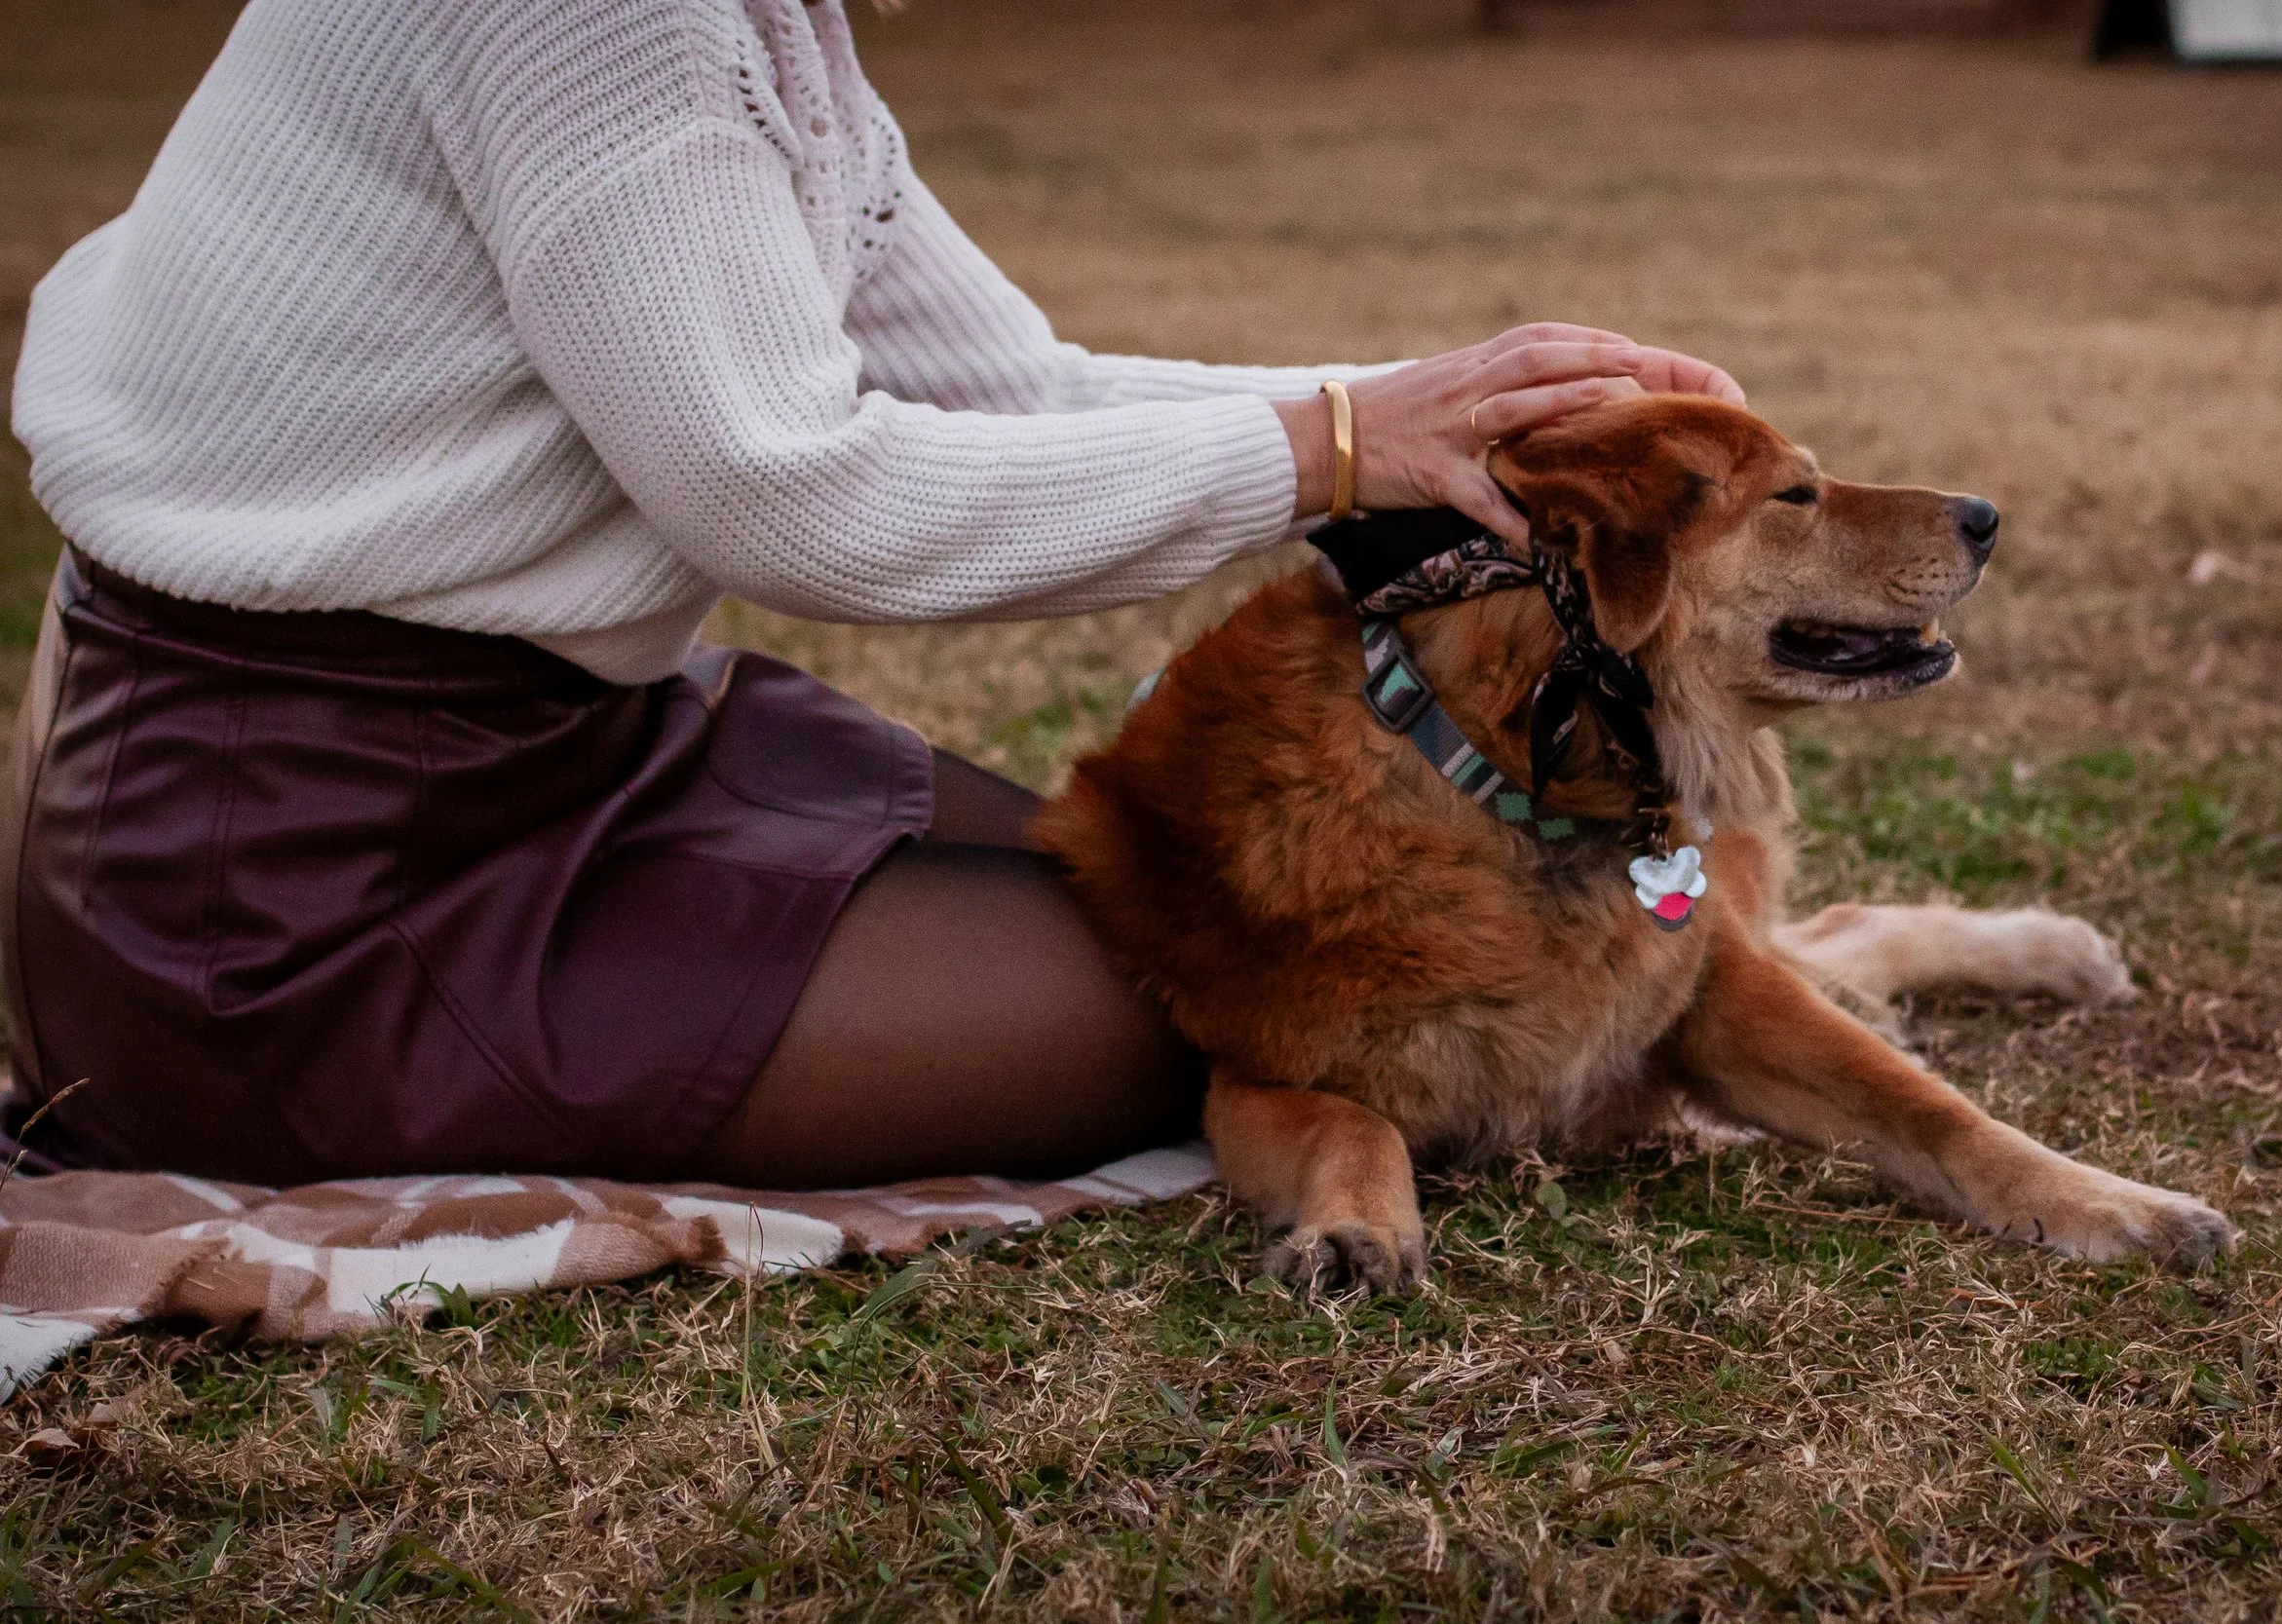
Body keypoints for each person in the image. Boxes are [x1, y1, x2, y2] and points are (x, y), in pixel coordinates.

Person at [2, 0, 1741, 1190]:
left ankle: (1710, 991)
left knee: (1187, 914)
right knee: (1268, 1000)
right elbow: (790, 492)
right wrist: (1338, 442)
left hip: (569, 761)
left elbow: (1014, 389)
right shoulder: (595, 26)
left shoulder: (769, 30)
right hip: (293, 889)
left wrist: (1436, 422)